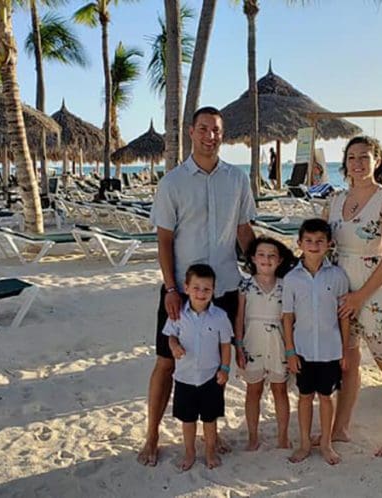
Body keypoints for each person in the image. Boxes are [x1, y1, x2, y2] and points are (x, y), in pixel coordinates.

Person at [137, 106, 257, 466]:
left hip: (225, 289)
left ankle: (211, 435)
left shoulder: (237, 179)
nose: (210, 136)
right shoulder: (172, 182)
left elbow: (244, 231)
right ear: (191, 132)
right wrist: (171, 289)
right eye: (203, 129)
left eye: (216, 130)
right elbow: (164, 241)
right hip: (181, 291)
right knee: (165, 363)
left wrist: (266, 267)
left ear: (223, 135)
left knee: (216, 362)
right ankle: (152, 436)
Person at [326, 135, 382, 457]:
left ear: (377, 160)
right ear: (345, 163)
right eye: (352, 157)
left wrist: (360, 296)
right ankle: (341, 427)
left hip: (376, 291)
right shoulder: (335, 199)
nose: (358, 163)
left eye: (365, 157)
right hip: (341, 291)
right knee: (348, 363)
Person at [282, 218, 351, 465]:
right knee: (304, 396)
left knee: (326, 397)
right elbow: (287, 318)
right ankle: (303, 443)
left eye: (319, 241)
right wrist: (290, 351)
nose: (313, 245)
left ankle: (326, 444)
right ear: (299, 243)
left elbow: (344, 318)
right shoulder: (291, 279)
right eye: (308, 241)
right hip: (302, 349)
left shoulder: (338, 276)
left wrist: (344, 350)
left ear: (329, 244)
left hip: (330, 349)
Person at [165, 264, 233, 470]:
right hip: (185, 377)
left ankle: (210, 451)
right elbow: (171, 336)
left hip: (210, 377)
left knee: (210, 420)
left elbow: (225, 345)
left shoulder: (220, 316)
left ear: (213, 290)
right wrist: (175, 346)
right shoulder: (178, 315)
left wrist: (225, 369)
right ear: (186, 288)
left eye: (206, 289)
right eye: (196, 288)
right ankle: (189, 452)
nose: (201, 293)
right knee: (188, 420)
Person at [235, 237, 297, 451]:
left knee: (280, 390)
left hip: (278, 343)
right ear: (253, 258)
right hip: (252, 342)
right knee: (254, 390)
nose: (266, 259)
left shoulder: (286, 285)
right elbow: (239, 318)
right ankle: (253, 437)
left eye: (272, 256)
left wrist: (291, 349)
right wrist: (238, 346)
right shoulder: (245, 284)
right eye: (261, 255)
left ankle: (282, 436)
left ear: (279, 260)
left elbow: (290, 318)